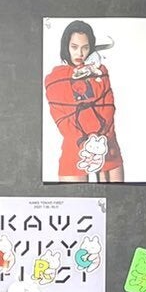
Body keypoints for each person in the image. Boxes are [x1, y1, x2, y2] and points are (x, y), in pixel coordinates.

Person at [43, 20, 126, 183]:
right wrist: (85, 144)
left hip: (106, 144)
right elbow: (61, 118)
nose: (80, 53)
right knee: (74, 199)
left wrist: (99, 143)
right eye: (74, 47)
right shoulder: (54, 78)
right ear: (66, 46)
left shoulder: (100, 71)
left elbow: (109, 108)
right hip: (75, 147)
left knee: (116, 197)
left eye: (85, 48)